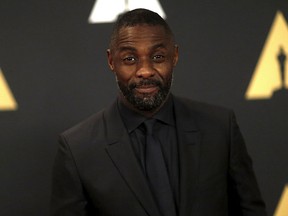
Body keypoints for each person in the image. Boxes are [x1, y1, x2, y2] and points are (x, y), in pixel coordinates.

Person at [50, 8, 267, 216]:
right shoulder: (77, 149)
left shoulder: (220, 128)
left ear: (174, 56)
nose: (145, 71)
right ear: (111, 61)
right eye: (130, 59)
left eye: (158, 57)